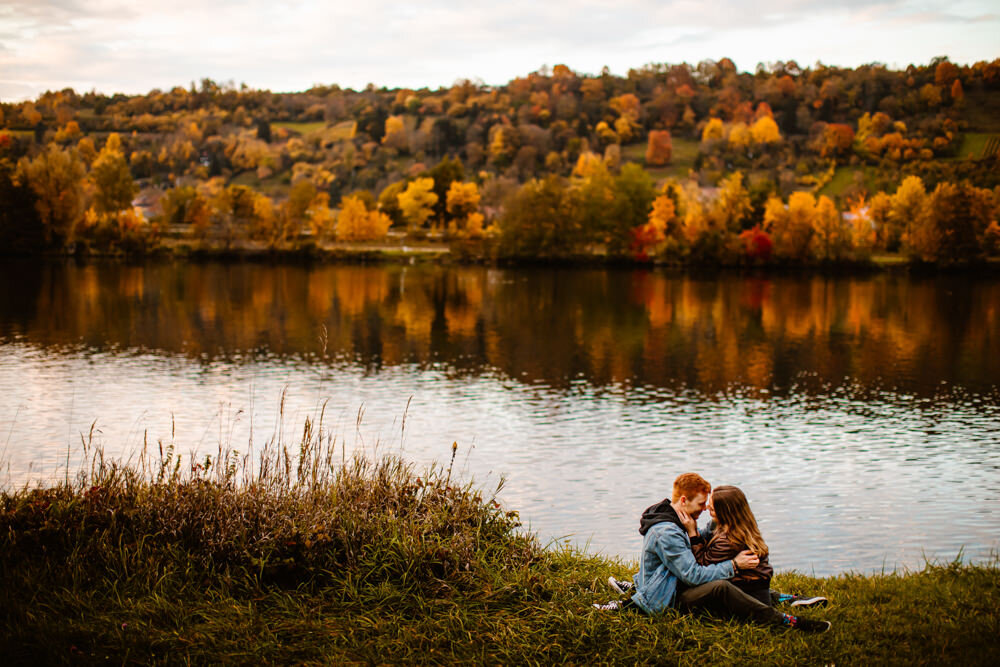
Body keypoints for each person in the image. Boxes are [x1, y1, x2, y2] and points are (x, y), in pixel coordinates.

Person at [594, 473, 831, 633]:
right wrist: (735, 565)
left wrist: (725, 520)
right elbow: (694, 575)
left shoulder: (674, 515)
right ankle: (785, 621)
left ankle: (787, 599)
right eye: (701, 505)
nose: (704, 511)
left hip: (669, 584)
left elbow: (704, 537)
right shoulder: (667, 532)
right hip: (670, 597)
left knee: (741, 584)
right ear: (684, 500)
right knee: (722, 586)